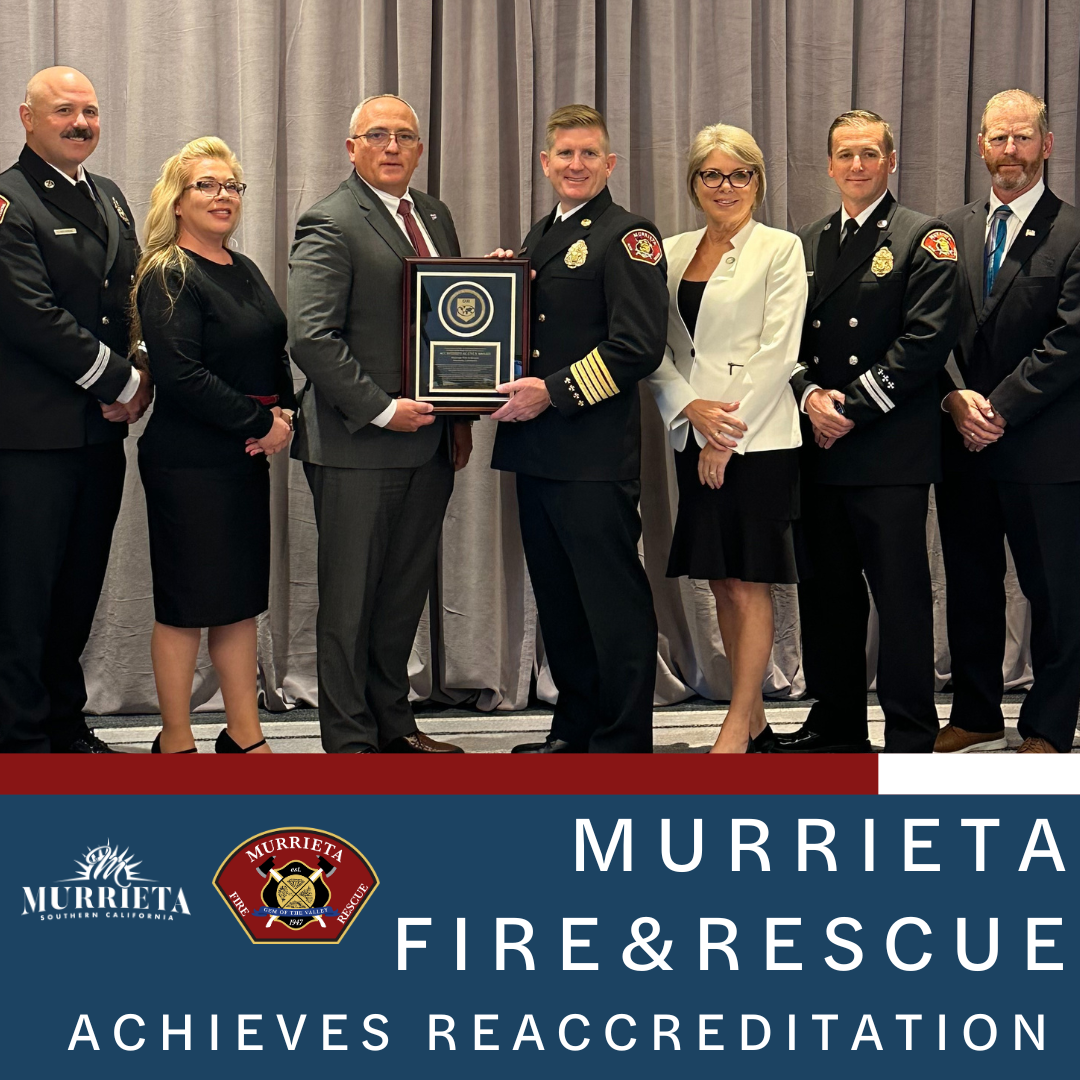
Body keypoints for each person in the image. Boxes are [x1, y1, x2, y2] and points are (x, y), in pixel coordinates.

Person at [775, 110, 961, 755]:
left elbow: (926, 341)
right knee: (827, 596)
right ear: (829, 166)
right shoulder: (805, 243)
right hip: (819, 450)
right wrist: (809, 395)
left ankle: (910, 731)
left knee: (900, 598)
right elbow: (782, 339)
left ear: (890, 161)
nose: (857, 165)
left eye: (870, 154)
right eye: (846, 155)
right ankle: (838, 725)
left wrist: (849, 408)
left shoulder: (923, 238)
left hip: (888, 452)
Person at [289, 94, 470, 754]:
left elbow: (447, 323)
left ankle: (394, 726)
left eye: (405, 136)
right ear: (351, 148)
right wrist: (384, 409)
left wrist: (460, 415)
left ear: (420, 149)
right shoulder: (330, 221)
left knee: (400, 600)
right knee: (349, 605)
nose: (392, 147)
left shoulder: (435, 216)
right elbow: (311, 337)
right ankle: (350, 743)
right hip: (357, 445)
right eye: (377, 135)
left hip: (431, 443)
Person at [490, 104, 668, 754]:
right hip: (536, 450)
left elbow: (638, 346)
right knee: (561, 602)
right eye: (564, 153)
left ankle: (622, 742)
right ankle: (575, 729)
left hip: (593, 454)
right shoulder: (540, 235)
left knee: (611, 604)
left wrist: (554, 393)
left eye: (589, 153)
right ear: (545, 163)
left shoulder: (629, 235)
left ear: (610, 163)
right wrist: (498, 286)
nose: (576, 164)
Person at [0, 66, 151, 754]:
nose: (80, 123)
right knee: (22, 597)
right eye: (64, 110)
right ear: (27, 118)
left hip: (97, 435)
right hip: (30, 438)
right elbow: (31, 316)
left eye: (89, 110)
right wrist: (122, 382)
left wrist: (143, 370)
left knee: (77, 588)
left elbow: (132, 299)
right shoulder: (10, 201)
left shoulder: (110, 196)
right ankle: (19, 736)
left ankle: (64, 722)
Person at [645, 124, 807, 754]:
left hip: (757, 440)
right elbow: (653, 347)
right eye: (712, 174)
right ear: (694, 184)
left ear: (757, 183)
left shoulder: (780, 248)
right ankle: (757, 722)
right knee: (718, 581)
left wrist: (724, 436)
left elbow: (779, 351)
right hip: (693, 434)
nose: (726, 186)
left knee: (748, 581)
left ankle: (737, 725)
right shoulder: (671, 251)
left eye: (740, 174)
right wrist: (690, 409)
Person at [134, 137, 294, 754]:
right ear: (177, 200)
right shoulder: (168, 272)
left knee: (237, 601)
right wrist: (261, 424)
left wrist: (285, 414)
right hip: (188, 463)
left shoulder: (242, 266)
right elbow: (182, 375)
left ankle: (244, 736)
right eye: (206, 184)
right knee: (186, 603)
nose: (223, 195)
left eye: (231, 186)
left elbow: (272, 347)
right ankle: (175, 740)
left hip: (241, 457)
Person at [936, 89, 1080, 755]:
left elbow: (1070, 340)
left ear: (1046, 145)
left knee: (1054, 593)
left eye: (1023, 138)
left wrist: (998, 408)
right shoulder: (950, 231)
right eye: (999, 138)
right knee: (970, 586)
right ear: (981, 146)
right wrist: (955, 400)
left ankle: (1048, 725)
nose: (1010, 151)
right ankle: (976, 714)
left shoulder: (1073, 232)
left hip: (1045, 447)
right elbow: (928, 333)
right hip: (963, 445)